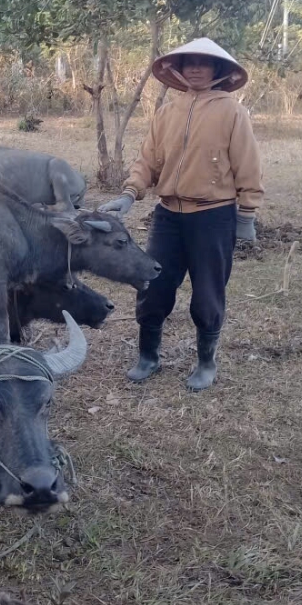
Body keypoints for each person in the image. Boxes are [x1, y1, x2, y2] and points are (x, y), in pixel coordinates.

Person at [98, 38, 263, 392]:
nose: (196, 68)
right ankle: (148, 356)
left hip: (213, 218)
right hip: (168, 217)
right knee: (153, 285)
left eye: (205, 63)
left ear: (219, 70)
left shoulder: (232, 112)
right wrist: (129, 194)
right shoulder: (166, 112)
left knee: (207, 292)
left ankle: (206, 362)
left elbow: (248, 165)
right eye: (189, 63)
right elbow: (148, 161)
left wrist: (246, 216)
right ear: (179, 68)